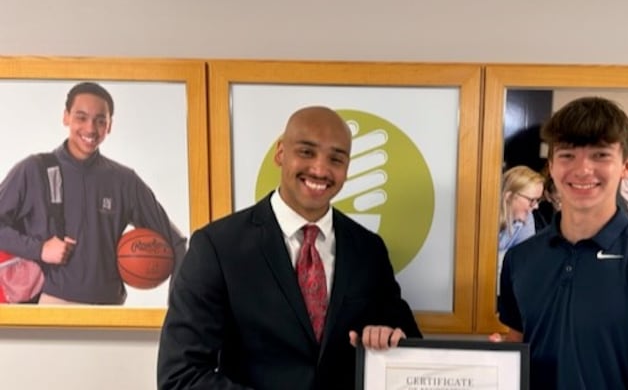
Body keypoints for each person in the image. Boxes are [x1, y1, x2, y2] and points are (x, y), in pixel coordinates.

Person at [157, 106, 421, 390]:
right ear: (281, 152)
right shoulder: (217, 247)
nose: (320, 169)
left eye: (336, 158)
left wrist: (389, 340)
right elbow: (181, 376)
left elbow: (410, 352)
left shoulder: (369, 250)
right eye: (306, 152)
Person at [495, 97, 628, 389]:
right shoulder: (519, 260)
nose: (582, 169)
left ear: (627, 166)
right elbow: (518, 361)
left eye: (601, 155)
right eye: (567, 155)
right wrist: (495, 362)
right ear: (551, 166)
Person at [0, 82, 186, 305]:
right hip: (51, 304)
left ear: (109, 126)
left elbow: (176, 243)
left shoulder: (124, 180)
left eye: (100, 121)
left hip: (110, 309)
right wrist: (40, 249)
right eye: (81, 117)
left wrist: (180, 311)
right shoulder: (34, 169)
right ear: (66, 117)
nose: (90, 129)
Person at [496, 165, 545, 294]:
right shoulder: (485, 219)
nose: (536, 206)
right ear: (509, 196)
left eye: (538, 200)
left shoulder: (527, 218)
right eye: (532, 200)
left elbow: (524, 260)